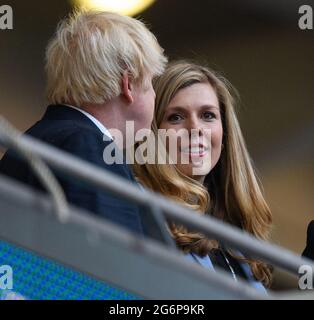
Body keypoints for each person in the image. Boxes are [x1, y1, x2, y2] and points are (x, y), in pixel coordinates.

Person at [0, 10, 167, 237]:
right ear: (128, 84)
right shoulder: (90, 147)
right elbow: (112, 263)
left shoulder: (34, 140)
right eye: (150, 83)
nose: (155, 96)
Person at [133, 61, 273, 291]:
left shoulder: (236, 232)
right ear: (153, 133)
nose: (195, 128)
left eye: (208, 115)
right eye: (176, 117)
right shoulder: (139, 207)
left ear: (225, 131)